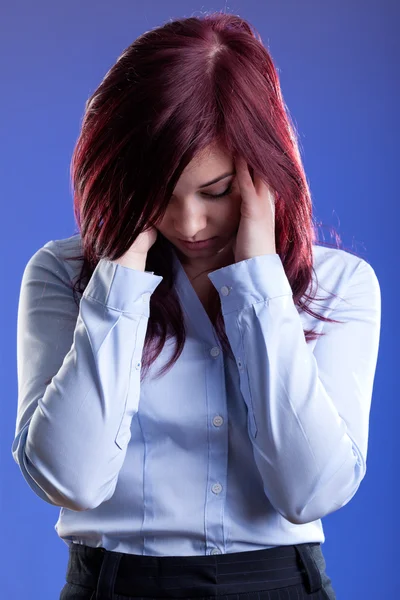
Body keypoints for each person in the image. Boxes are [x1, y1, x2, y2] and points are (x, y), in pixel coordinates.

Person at [12, 12, 381, 600]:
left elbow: (310, 492)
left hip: (280, 585)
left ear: (265, 169)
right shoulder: (63, 274)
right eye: (159, 190)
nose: (189, 223)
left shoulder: (339, 286)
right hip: (110, 585)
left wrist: (259, 284)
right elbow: (70, 480)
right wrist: (120, 279)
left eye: (217, 191)